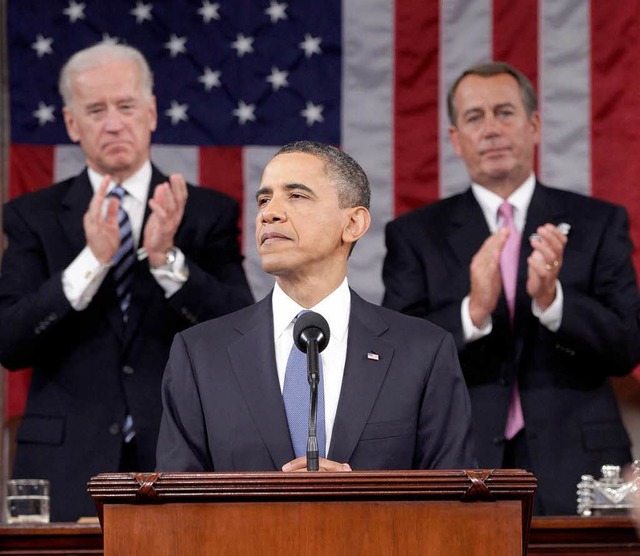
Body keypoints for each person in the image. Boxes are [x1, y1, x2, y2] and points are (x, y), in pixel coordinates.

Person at [0, 43, 254, 521]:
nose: (113, 122)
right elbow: (10, 342)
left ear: (152, 112)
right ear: (72, 124)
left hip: (179, 457)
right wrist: (91, 263)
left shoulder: (205, 213)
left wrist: (166, 259)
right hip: (66, 462)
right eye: (96, 110)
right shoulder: (31, 217)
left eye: (126, 106)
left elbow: (240, 334)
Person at [382, 61, 640, 514]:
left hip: (580, 465)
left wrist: (553, 302)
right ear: (455, 139)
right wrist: (473, 312)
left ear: (534, 125)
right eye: (475, 117)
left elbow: (627, 346)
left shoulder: (598, 222)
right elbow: (397, 361)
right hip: (460, 464)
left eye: (505, 112)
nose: (492, 129)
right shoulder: (415, 234)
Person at [156, 141, 476, 473]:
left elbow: (452, 501)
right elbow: (177, 509)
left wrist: (356, 498)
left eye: (296, 196)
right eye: (264, 199)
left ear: (353, 224)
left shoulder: (423, 351)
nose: (269, 212)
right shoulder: (200, 355)